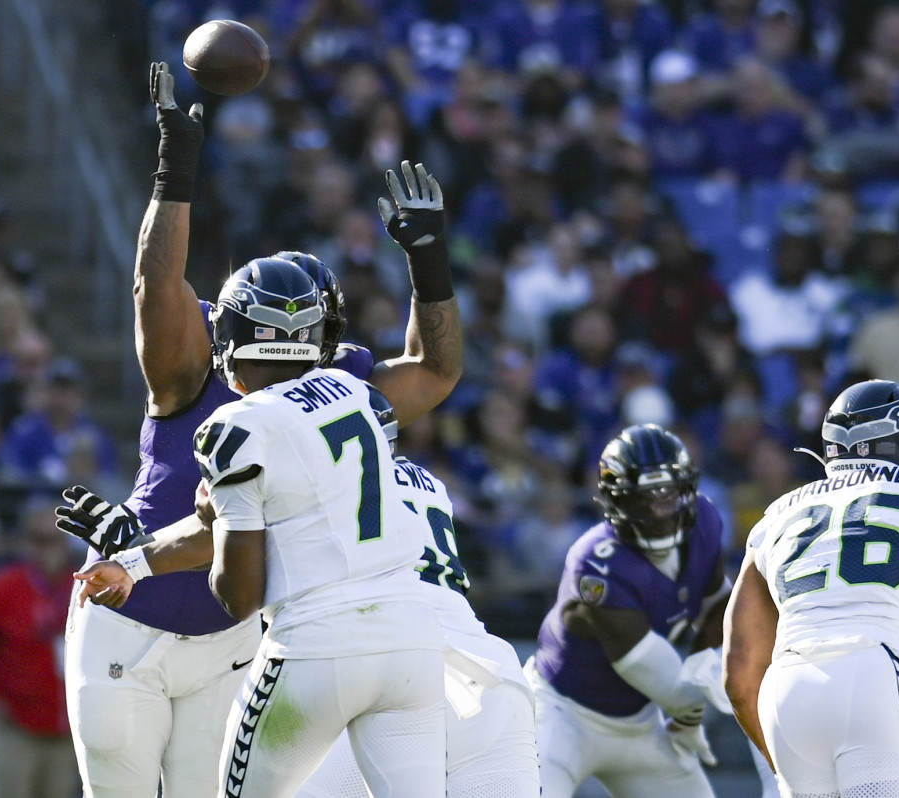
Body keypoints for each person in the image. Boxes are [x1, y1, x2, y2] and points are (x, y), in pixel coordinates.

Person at [56, 61, 462, 798]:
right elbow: (435, 371)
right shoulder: (325, 389)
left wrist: (176, 172)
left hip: (229, 630)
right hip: (136, 619)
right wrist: (428, 264)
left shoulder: (319, 393)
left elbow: (432, 373)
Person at [74, 259, 448, 797]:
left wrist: (211, 522)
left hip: (316, 644)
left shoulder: (239, 426)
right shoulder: (362, 398)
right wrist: (138, 556)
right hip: (416, 641)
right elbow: (435, 370)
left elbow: (241, 593)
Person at [73, 384, 541, 797]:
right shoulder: (430, 484)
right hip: (480, 669)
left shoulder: (318, 480)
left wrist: (140, 547)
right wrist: (140, 556)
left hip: (352, 649)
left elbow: (240, 567)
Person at [723, 379, 899, 798]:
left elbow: (739, 670)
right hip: (868, 672)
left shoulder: (779, 513)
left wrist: (784, 761)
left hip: (785, 693)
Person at [526, 423, 732, 798]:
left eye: (669, 491)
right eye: (645, 496)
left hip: (640, 724)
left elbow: (720, 607)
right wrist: (693, 709)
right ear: (617, 500)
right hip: (564, 715)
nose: (660, 508)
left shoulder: (704, 520)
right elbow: (663, 680)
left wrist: (700, 680)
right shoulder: (597, 563)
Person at [0, 502, 81, 798]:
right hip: (17, 727)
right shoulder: (2, 588)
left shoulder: (84, 584)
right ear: (26, 542)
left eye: (56, 538)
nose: (49, 548)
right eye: (39, 539)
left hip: (66, 729)